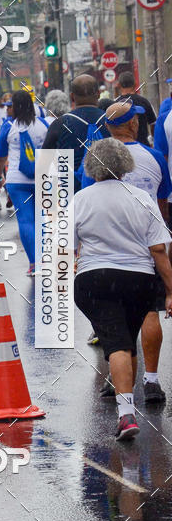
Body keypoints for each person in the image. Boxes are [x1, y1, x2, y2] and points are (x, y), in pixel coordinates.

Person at [73, 139, 172, 440]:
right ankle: (129, 397)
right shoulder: (141, 197)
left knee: (116, 343)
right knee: (125, 340)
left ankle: (126, 414)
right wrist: (169, 291)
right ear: (125, 165)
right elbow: (158, 250)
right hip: (138, 281)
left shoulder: (80, 199)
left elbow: (64, 249)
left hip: (94, 280)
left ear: (91, 168)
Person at [0, 90, 50, 275]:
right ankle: (45, 259)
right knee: (42, 220)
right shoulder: (43, 124)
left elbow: (0, 157)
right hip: (42, 178)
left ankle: (34, 264)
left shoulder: (8, 127)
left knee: (26, 221)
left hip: (16, 181)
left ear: (15, 107)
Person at [42, 74, 108, 193]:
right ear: (98, 94)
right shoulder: (111, 121)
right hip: (106, 192)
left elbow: (44, 164)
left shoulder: (60, 124)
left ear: (72, 97)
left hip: (71, 194)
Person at [117, 70, 156, 145]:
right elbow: (153, 124)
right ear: (135, 84)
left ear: (119, 85)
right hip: (144, 146)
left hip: (123, 149)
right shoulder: (144, 102)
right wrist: (152, 141)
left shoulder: (115, 105)